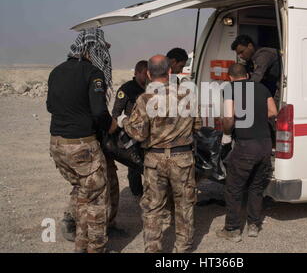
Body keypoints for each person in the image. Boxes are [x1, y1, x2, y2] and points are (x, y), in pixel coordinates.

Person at [118, 54, 202, 253]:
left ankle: (153, 249)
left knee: (153, 207)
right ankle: (182, 249)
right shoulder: (187, 96)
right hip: (182, 158)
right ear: (170, 71)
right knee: (184, 205)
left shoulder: (144, 99)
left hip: (154, 159)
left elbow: (138, 133)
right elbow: (197, 125)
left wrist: (124, 122)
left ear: (148, 73)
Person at [47, 28, 118, 253]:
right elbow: (98, 111)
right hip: (82, 147)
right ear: (92, 49)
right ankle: (96, 249)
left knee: (81, 192)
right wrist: (111, 125)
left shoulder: (56, 71)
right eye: (101, 48)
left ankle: (81, 245)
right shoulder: (93, 72)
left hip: (57, 145)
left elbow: (50, 106)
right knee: (96, 199)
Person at [216, 63, 277, 242]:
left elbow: (229, 118)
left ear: (230, 77)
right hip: (265, 145)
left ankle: (232, 229)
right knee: (256, 186)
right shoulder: (262, 88)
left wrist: (226, 135)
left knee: (234, 188)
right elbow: (273, 112)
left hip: (245, 147)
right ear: (248, 75)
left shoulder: (229, 88)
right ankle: (253, 225)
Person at [111, 60, 148, 197]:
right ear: (136, 73)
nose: (147, 76)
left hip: (147, 132)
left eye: (149, 73)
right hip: (131, 134)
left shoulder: (151, 89)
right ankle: (137, 192)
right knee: (134, 165)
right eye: (144, 74)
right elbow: (116, 113)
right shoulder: (126, 89)